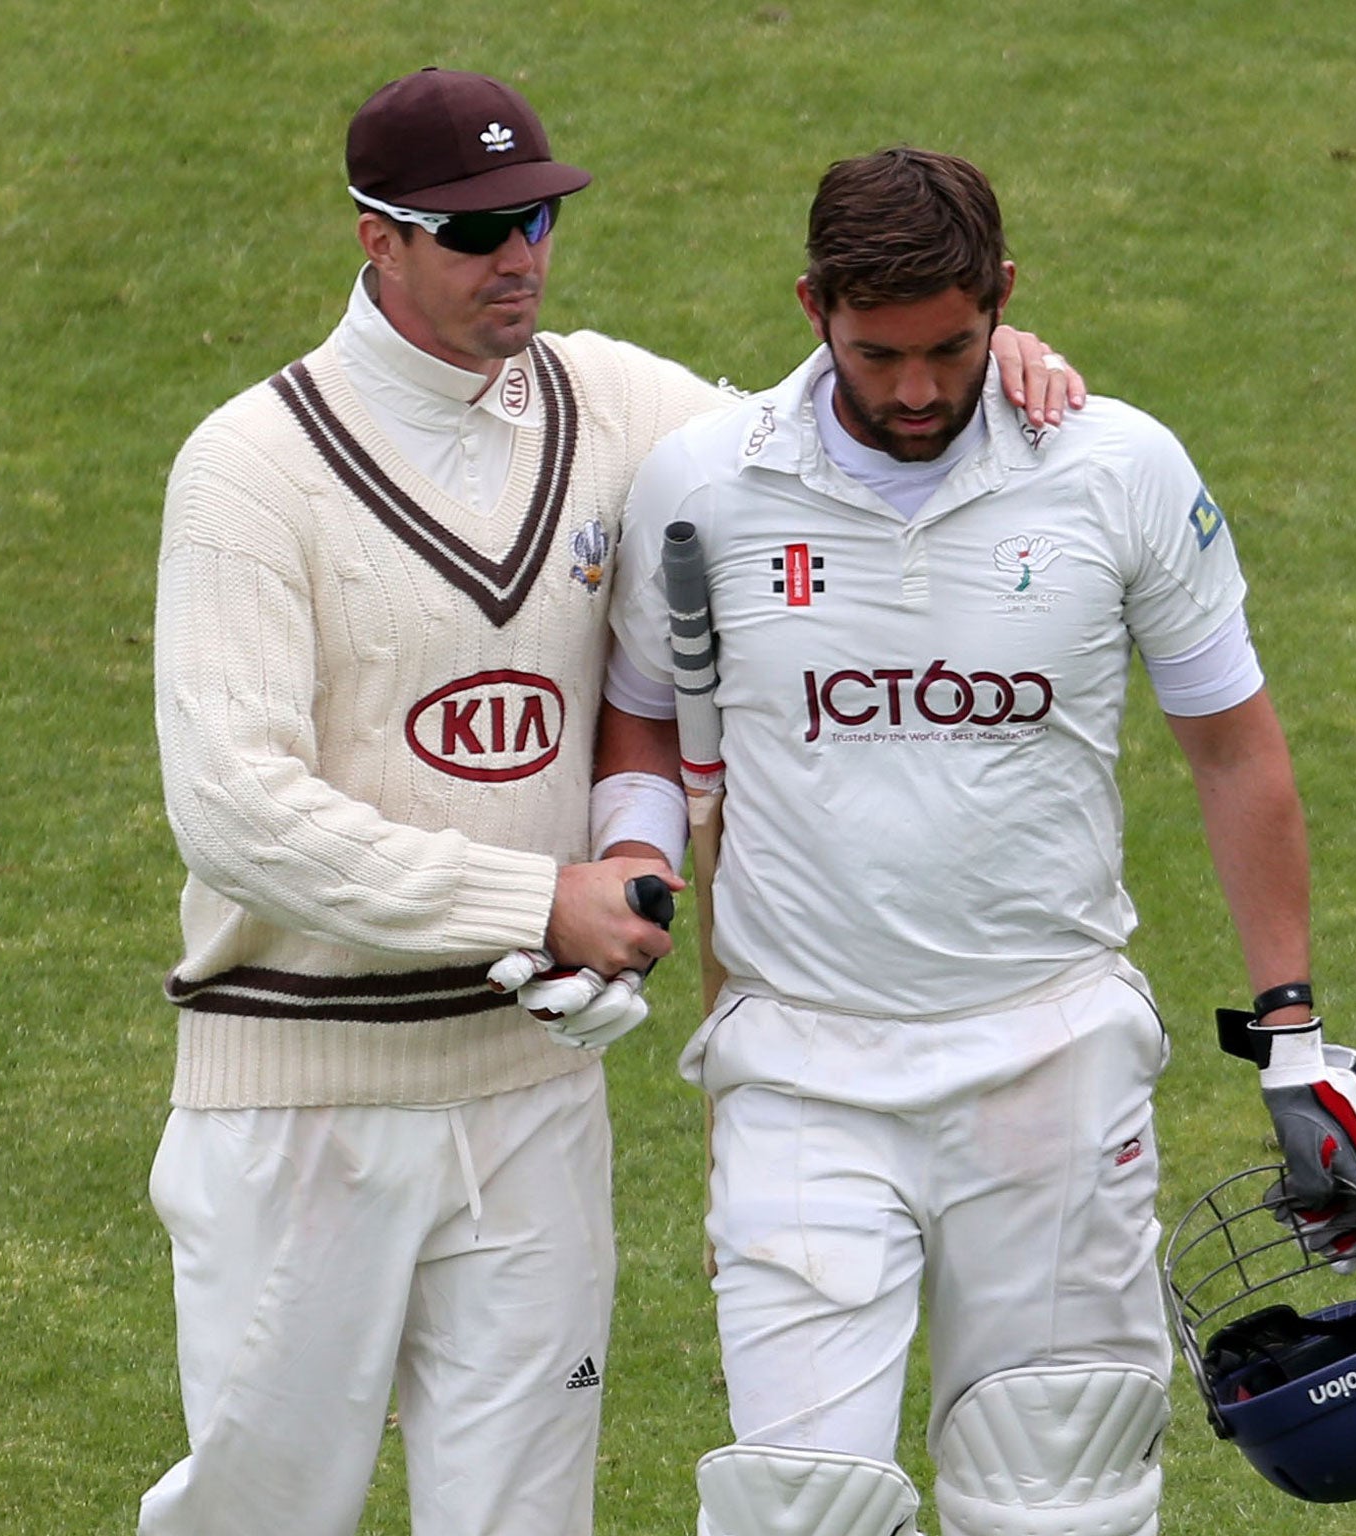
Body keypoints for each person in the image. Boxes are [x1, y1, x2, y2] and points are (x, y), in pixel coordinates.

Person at [142, 72, 1082, 1536]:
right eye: (477, 232)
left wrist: (977, 359)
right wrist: (534, 901)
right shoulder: (250, 473)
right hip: (303, 1097)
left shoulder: (616, 404)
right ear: (376, 239)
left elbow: (807, 450)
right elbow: (237, 812)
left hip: (530, 1096)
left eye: (538, 219)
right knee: (263, 1514)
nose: (519, 254)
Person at [605, 147, 1356, 1536]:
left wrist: (1291, 1031)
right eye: (876, 355)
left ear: (1006, 304)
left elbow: (1234, 749)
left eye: (952, 348)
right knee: (799, 1514)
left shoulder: (1118, 467)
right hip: (800, 1068)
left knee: (1066, 1504)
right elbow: (636, 724)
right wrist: (638, 878)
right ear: (810, 308)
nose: (915, 391)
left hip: (1053, 1062)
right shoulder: (702, 485)